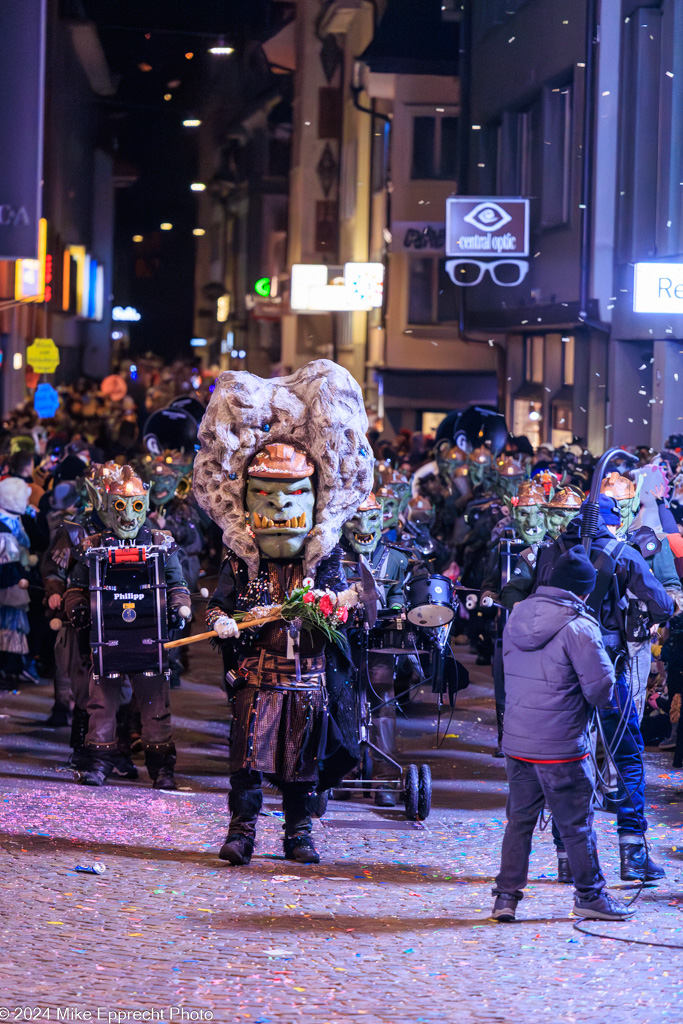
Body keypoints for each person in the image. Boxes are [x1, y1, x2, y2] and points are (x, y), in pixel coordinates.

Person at [194, 360, 373, 867]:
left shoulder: (328, 557)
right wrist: (220, 624)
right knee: (247, 761)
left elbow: (348, 610)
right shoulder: (241, 559)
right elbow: (219, 605)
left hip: (308, 681)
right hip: (258, 677)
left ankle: (299, 836)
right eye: (265, 496)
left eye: (290, 496)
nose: (277, 511)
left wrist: (332, 608)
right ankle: (242, 833)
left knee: (302, 762)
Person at [492, 546, 635, 922]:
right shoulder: (580, 627)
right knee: (576, 825)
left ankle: (505, 898)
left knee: (519, 821)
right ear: (583, 592)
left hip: (519, 741)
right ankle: (591, 896)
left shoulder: (517, 614)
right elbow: (600, 691)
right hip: (561, 746)